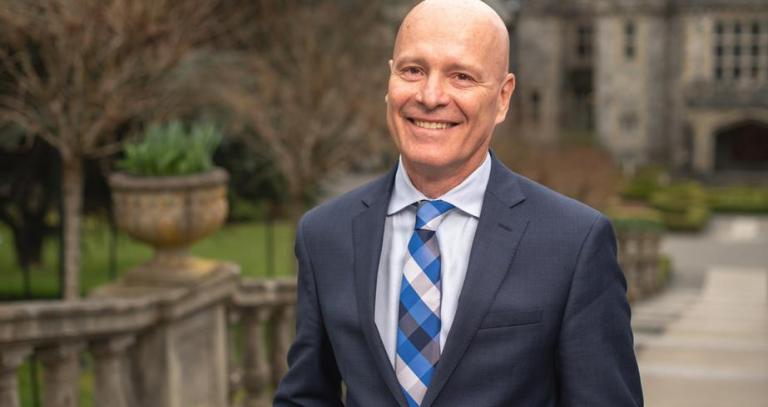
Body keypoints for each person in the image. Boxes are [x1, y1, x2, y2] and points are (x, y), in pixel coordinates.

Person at [273, 0, 643, 405]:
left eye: (461, 76)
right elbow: (306, 396)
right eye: (413, 70)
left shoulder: (573, 242)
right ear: (390, 79)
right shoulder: (325, 235)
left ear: (503, 97)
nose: (430, 96)